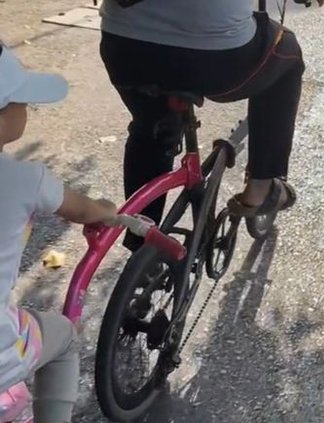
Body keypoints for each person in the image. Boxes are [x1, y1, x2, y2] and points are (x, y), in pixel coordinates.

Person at [99, 0, 307, 251]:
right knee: (288, 58)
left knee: (152, 123)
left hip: (123, 47)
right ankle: (261, 188)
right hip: (216, 59)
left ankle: (139, 237)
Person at [0, 45, 118, 423]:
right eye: (21, 102)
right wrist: (106, 210)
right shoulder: (25, 179)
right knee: (63, 337)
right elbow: (87, 210)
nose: (25, 110)